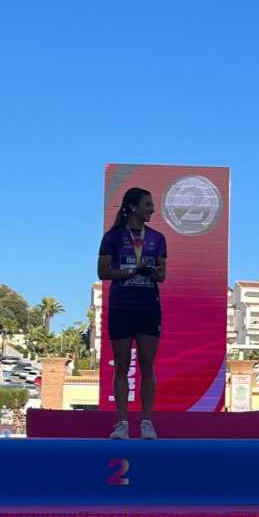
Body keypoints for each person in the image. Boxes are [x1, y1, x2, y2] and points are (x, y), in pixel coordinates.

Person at [98, 186, 168, 439]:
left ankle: (147, 422)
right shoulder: (112, 237)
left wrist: (153, 272)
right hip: (121, 306)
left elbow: (162, 274)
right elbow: (103, 272)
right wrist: (130, 272)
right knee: (122, 366)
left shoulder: (158, 238)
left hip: (148, 306)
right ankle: (123, 424)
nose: (152, 209)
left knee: (147, 365)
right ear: (133, 207)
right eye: (148, 205)